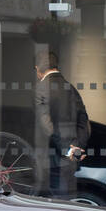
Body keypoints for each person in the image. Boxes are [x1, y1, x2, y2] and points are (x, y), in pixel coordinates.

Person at [33, 49, 90, 199]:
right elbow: (83, 119)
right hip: (72, 157)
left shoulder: (41, 88)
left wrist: (67, 149)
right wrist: (78, 147)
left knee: (56, 201)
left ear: (37, 68)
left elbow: (46, 125)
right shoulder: (70, 87)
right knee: (68, 199)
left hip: (53, 156)